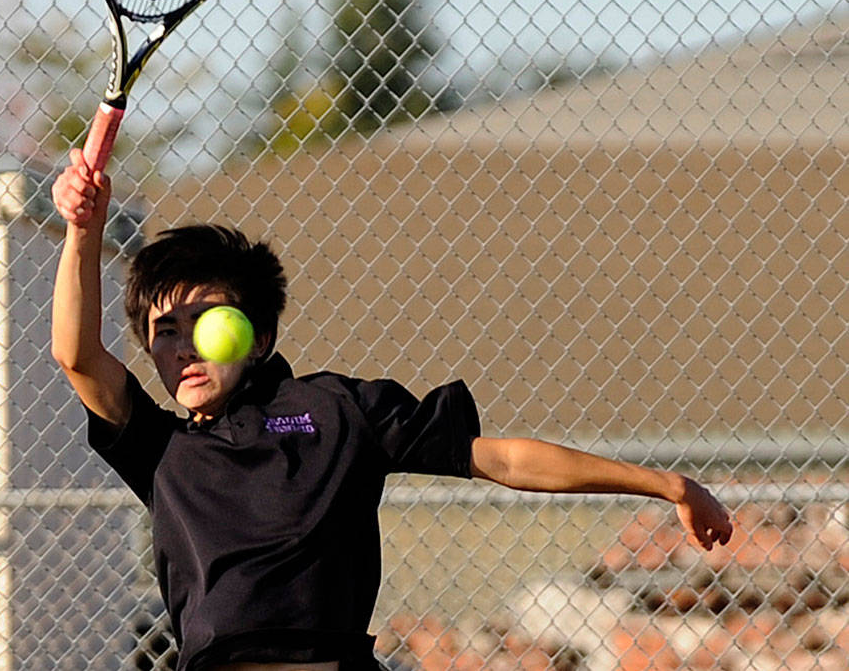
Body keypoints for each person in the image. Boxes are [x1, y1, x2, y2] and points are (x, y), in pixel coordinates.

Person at [50, 150, 733, 671]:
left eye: (208, 321)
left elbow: (499, 457)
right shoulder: (161, 448)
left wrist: (663, 483)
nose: (185, 345)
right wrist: (83, 231)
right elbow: (77, 355)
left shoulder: (336, 410)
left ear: (258, 337)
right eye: (165, 331)